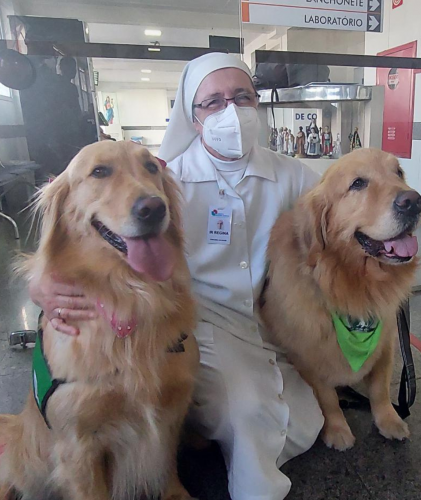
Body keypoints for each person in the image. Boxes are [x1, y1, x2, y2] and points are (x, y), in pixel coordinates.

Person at [28, 52, 323, 500]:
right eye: (214, 101)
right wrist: (39, 285)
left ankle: (210, 442)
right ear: (193, 115)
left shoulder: (292, 173)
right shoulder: (171, 177)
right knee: (248, 415)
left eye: (243, 97)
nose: (231, 111)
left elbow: (339, 210)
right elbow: (68, 244)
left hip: (268, 322)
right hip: (197, 323)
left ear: (257, 103)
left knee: (308, 421)